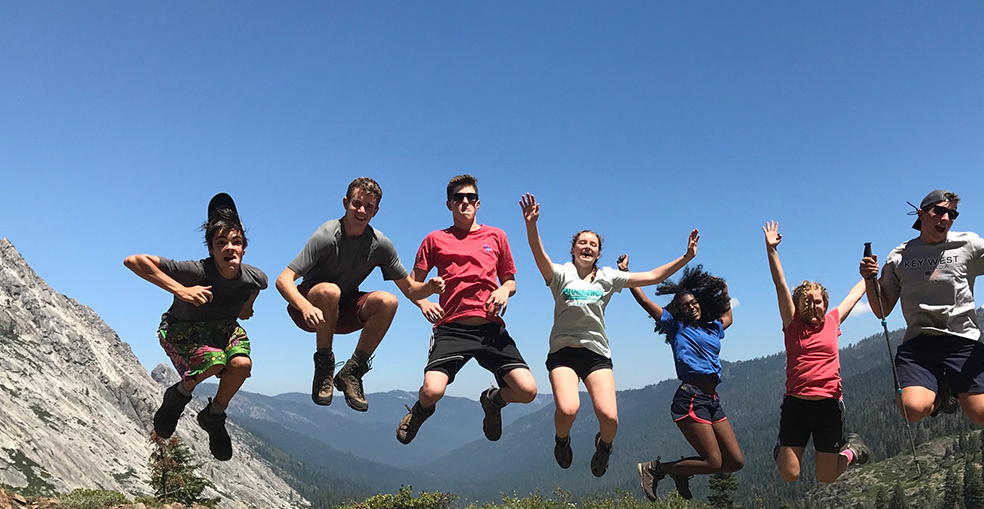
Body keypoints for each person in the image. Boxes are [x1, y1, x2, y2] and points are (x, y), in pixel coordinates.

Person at [518, 193, 697, 475]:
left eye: (593, 244)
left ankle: (604, 447)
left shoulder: (608, 277)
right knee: (567, 410)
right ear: (573, 249)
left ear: (599, 253)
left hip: (596, 353)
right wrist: (532, 224)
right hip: (563, 353)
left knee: (610, 419)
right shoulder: (560, 274)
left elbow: (653, 276)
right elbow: (538, 253)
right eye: (582, 243)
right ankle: (561, 441)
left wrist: (686, 257)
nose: (587, 247)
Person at [859, 189, 984, 427]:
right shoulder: (899, 255)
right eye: (939, 211)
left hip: (962, 341)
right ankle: (943, 394)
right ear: (920, 214)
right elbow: (882, 309)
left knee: (983, 415)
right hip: (919, 344)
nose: (946, 219)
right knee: (911, 409)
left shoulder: (967, 244)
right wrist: (869, 280)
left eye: (952, 214)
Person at [277, 177, 444, 412]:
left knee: (388, 301)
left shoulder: (379, 244)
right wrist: (305, 307)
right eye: (357, 203)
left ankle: (352, 371)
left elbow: (408, 287)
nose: (362, 210)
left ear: (376, 211)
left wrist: (427, 295)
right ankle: (324, 364)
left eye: (369, 207)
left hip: (341, 311)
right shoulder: (327, 235)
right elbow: (283, 279)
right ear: (345, 202)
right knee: (329, 290)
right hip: (308, 310)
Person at [124, 193, 267, 461]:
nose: (229, 248)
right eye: (221, 243)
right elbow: (133, 261)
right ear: (211, 249)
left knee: (241, 365)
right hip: (181, 330)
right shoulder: (195, 271)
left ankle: (214, 416)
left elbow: (255, 291)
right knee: (212, 362)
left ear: (244, 248)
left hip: (222, 330)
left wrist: (247, 308)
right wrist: (182, 290)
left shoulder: (254, 278)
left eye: (236, 242)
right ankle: (179, 395)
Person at [395, 175, 537, 444]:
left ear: (478, 203)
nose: (464, 202)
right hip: (451, 328)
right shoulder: (435, 240)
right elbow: (412, 284)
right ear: (449, 204)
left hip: (490, 329)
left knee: (527, 391)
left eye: (470, 197)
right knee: (432, 390)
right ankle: (420, 411)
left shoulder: (496, 236)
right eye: (458, 198)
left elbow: (510, 281)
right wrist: (425, 301)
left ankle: (493, 401)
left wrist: (504, 290)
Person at [763, 221, 871, 483]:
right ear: (797, 305)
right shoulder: (792, 324)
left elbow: (855, 295)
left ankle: (852, 451)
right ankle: (782, 447)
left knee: (827, 477)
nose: (813, 304)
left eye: (818, 300)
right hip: (796, 406)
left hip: (829, 407)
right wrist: (771, 250)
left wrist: (870, 275)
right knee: (790, 474)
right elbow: (780, 284)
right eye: (806, 300)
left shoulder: (834, 320)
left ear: (826, 303)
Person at [629, 256, 743, 501]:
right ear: (679, 310)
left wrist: (723, 288)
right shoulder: (676, 327)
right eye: (686, 305)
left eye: (695, 303)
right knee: (713, 461)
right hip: (690, 398)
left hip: (711, 400)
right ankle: (656, 469)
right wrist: (627, 275)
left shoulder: (712, 328)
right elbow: (645, 301)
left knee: (734, 461)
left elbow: (729, 317)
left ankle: (682, 471)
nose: (692, 307)